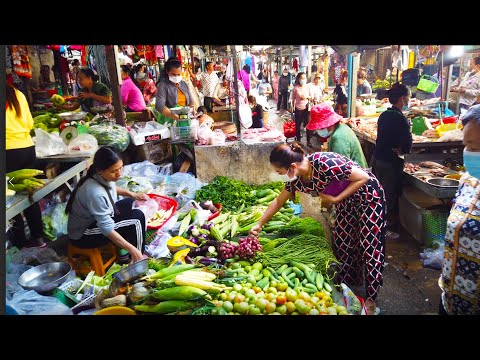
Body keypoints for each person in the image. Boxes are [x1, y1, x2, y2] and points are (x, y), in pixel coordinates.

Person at [249, 143, 386, 315]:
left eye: (280, 172)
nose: (280, 175)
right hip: (345, 201)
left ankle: (371, 297)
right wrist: (259, 224)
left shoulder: (326, 163)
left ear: (292, 166)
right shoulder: (298, 178)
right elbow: (278, 201)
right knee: (343, 240)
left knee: (370, 244)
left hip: (367, 196)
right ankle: (349, 283)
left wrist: (336, 199)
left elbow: (363, 177)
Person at [66, 146, 148, 264]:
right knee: (136, 219)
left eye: (121, 168)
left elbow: (112, 188)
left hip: (95, 220)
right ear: (101, 170)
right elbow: (107, 229)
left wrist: (132, 194)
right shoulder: (94, 192)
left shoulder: (99, 175)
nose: (119, 174)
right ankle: (138, 257)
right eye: (114, 171)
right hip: (83, 234)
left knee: (132, 204)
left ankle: (124, 254)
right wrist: (132, 249)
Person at [438, 104, 480, 315]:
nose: (469, 154)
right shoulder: (468, 180)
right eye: (467, 146)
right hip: (451, 296)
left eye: (474, 147)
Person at [6, 83, 47, 248]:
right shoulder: (17, 93)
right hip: (27, 148)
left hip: (8, 152)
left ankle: (20, 244)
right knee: (30, 196)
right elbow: (29, 123)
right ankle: (39, 239)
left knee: (11, 197)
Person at [373, 83, 412, 236]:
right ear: (402, 99)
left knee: (379, 192)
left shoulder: (384, 115)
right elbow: (407, 146)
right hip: (390, 162)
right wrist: (401, 149)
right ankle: (384, 228)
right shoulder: (401, 119)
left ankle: (376, 221)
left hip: (378, 158)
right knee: (389, 195)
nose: (408, 100)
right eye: (408, 97)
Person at [291, 72, 312, 142]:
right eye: (301, 78)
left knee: (308, 125)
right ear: (298, 79)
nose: (303, 80)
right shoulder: (295, 88)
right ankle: (298, 140)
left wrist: (306, 97)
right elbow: (293, 98)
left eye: (304, 78)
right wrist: (292, 108)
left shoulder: (308, 87)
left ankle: (308, 141)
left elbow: (311, 96)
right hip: (298, 109)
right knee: (298, 125)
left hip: (307, 108)